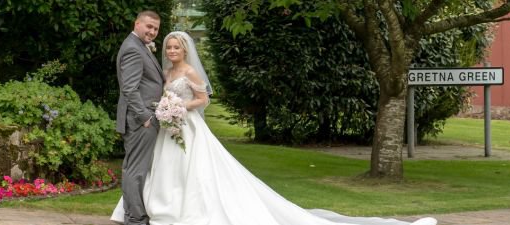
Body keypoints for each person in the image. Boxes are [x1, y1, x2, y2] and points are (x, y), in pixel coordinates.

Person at [110, 31, 438, 225]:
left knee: (195, 171)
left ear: (184, 50)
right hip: (171, 128)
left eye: (176, 47)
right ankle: (162, 210)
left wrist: (181, 107)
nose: (171, 51)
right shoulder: (167, 72)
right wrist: (167, 109)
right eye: (168, 47)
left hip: (188, 126)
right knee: (166, 168)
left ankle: (191, 212)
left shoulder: (192, 73)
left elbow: (205, 100)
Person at [114, 10, 164, 225]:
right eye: (148, 26)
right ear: (137, 24)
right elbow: (129, 88)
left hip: (141, 118)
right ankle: (135, 219)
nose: (152, 32)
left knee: (135, 168)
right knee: (136, 169)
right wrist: (145, 117)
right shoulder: (133, 49)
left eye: (155, 28)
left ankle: (133, 215)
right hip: (140, 120)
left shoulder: (139, 46)